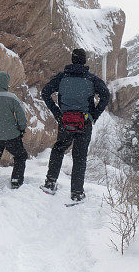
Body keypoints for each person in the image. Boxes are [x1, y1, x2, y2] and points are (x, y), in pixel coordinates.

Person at [41, 48, 111, 202]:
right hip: (84, 122)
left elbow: (45, 92)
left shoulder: (61, 78)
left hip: (65, 121)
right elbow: (106, 95)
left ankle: (50, 183)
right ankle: (77, 192)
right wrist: (94, 115)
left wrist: (57, 113)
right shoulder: (92, 79)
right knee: (79, 157)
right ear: (84, 61)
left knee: (59, 149)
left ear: (72, 60)